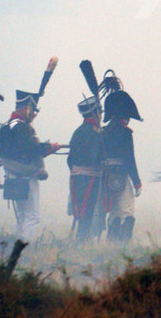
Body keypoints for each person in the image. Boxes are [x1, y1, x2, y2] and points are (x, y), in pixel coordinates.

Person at [0, 89, 63, 242]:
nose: (34, 114)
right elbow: (32, 149)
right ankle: (23, 246)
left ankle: (17, 243)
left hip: (13, 174)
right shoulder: (23, 127)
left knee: (22, 216)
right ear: (26, 107)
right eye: (33, 110)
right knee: (32, 216)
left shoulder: (8, 125)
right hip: (26, 175)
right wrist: (49, 147)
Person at [100, 71, 142, 244]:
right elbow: (129, 159)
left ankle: (111, 243)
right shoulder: (125, 133)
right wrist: (137, 181)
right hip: (121, 175)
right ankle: (122, 244)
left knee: (113, 213)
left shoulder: (103, 132)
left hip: (105, 176)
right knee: (126, 211)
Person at [67, 93, 104, 242]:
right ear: (96, 113)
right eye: (100, 113)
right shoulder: (95, 133)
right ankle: (82, 242)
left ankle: (82, 240)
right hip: (90, 178)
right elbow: (94, 159)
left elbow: (70, 160)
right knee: (87, 211)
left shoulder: (78, 131)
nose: (101, 116)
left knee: (81, 210)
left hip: (76, 177)